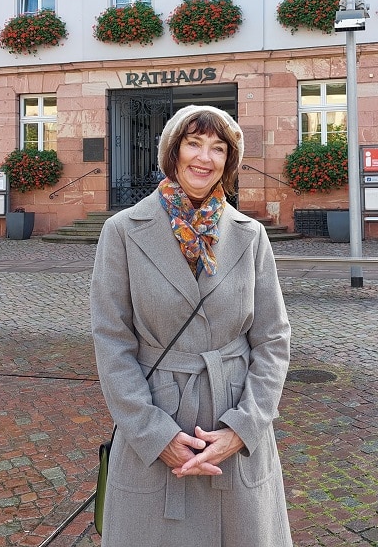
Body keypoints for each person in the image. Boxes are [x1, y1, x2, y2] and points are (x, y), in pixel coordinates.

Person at [90, 105, 293, 547]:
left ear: (229, 161)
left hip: (233, 420)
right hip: (158, 421)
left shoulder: (250, 235)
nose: (204, 157)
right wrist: (153, 434)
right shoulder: (123, 231)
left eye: (218, 148)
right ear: (172, 152)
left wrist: (244, 428)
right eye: (194, 143)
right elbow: (111, 339)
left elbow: (273, 339)